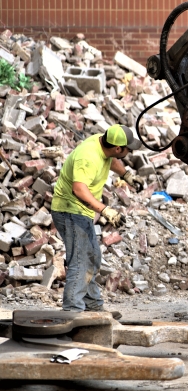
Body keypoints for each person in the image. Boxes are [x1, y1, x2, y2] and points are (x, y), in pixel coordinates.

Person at [51, 124, 144, 312]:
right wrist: (105, 210)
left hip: (80, 212)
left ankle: (92, 305)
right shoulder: (88, 157)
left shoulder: (104, 144)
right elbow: (78, 189)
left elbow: (111, 159)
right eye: (127, 148)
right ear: (118, 148)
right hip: (69, 210)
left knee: (92, 257)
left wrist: (126, 175)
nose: (128, 151)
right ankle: (72, 311)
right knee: (80, 261)